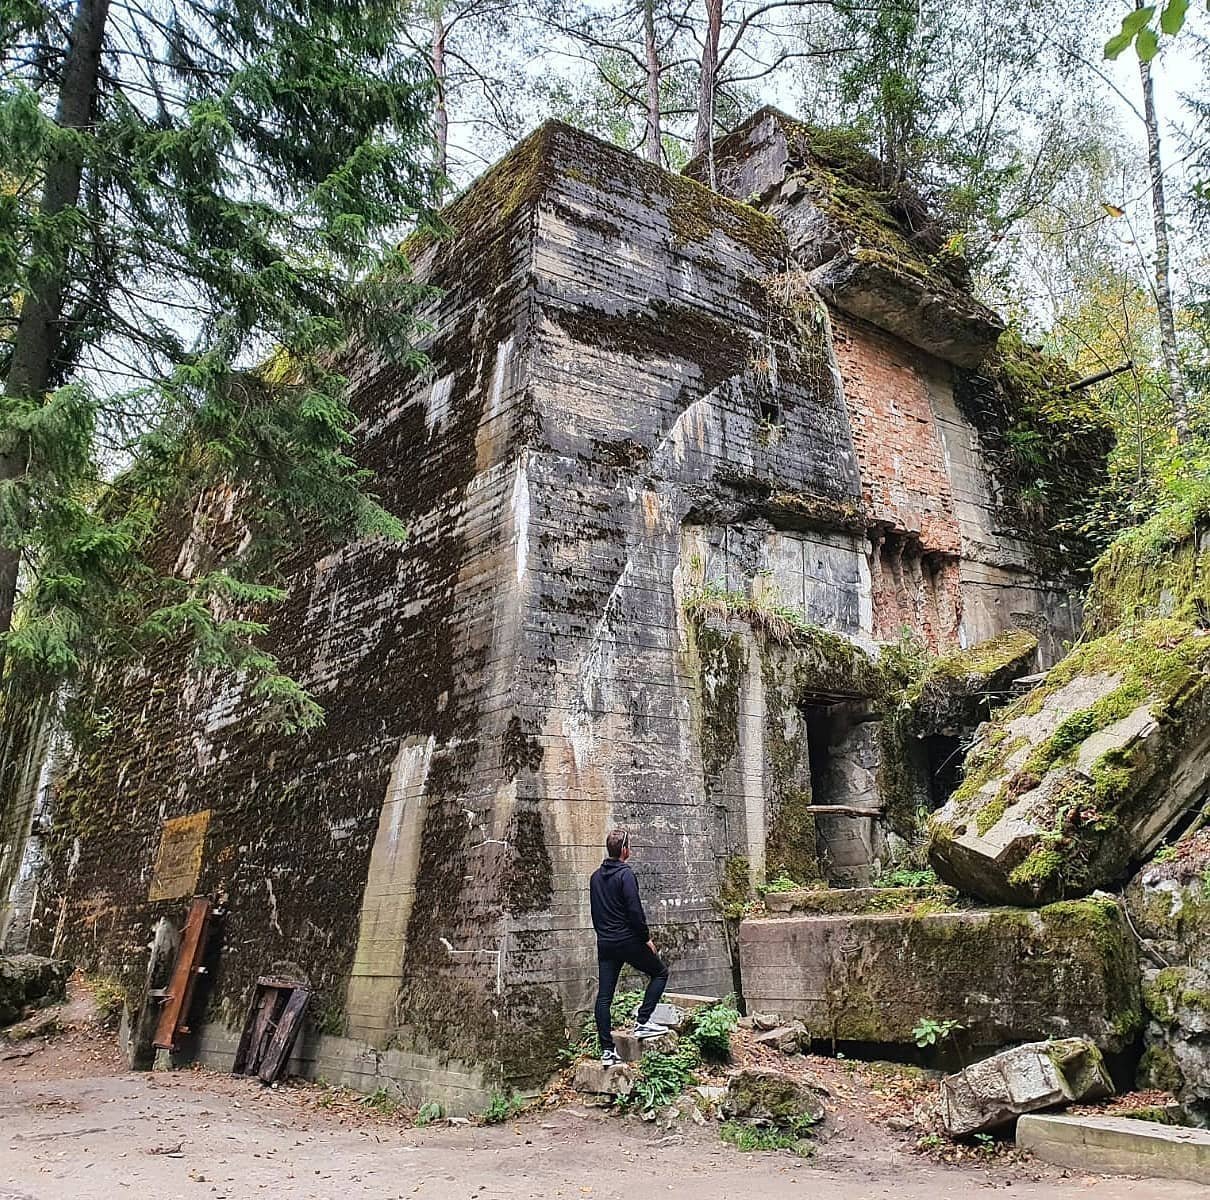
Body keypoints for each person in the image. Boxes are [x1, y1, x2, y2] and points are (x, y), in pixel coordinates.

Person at [589, 827, 670, 1066]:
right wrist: (646, 938)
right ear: (625, 850)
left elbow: (595, 913)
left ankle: (607, 1050)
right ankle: (643, 1022)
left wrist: (605, 935)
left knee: (604, 997)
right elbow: (635, 911)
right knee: (659, 973)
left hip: (605, 944)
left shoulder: (595, 877)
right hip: (627, 940)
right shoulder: (625, 875)